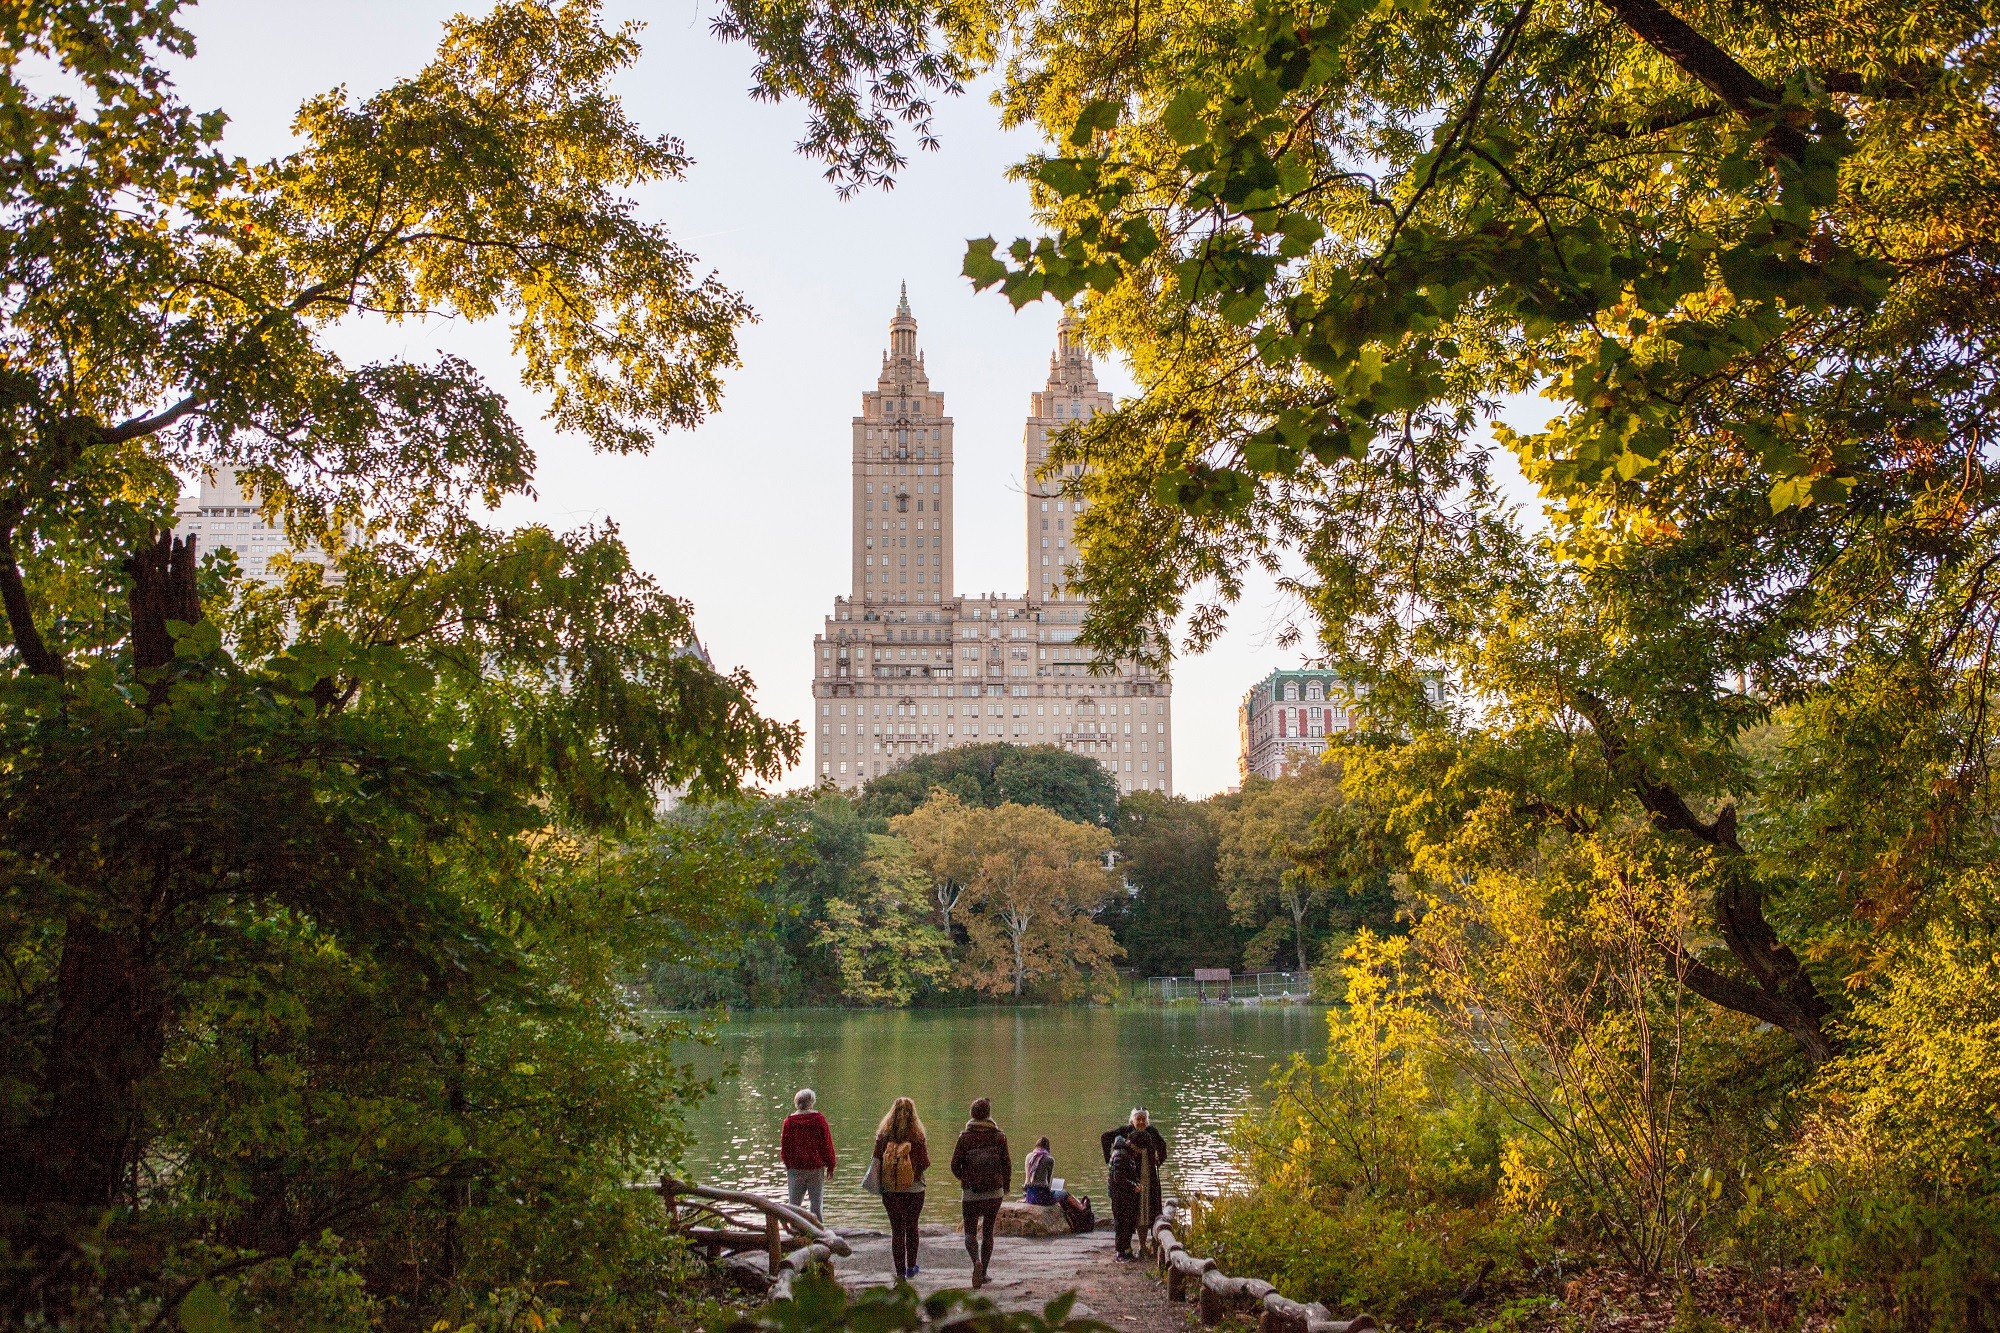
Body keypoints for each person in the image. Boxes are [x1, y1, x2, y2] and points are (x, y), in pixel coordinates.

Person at [950, 1097, 1011, 1288]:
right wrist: (1006, 1185)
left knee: (970, 1233)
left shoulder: (965, 1138)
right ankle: (983, 1272)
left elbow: (954, 1165)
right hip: (994, 1192)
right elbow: (1006, 1164)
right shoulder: (999, 1136)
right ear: (988, 1114)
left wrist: (965, 1179)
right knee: (988, 1233)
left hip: (971, 1193)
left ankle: (975, 1261)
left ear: (972, 1114)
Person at [873, 1096, 931, 1281]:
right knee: (912, 1227)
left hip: (890, 1191)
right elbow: (924, 1163)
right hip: (914, 1190)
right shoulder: (917, 1136)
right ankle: (911, 1267)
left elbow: (876, 1161)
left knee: (897, 1230)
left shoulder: (883, 1136)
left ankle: (899, 1272)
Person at [1100, 1109, 1168, 1259]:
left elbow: (1163, 1146)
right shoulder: (1126, 1133)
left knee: (1151, 1212)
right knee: (1132, 1214)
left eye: (1144, 1119)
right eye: (1138, 1119)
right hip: (1130, 1181)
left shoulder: (1151, 1132)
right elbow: (1105, 1137)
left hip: (1149, 1178)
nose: (1141, 1122)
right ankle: (1128, 1248)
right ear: (1132, 1120)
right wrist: (1109, 1160)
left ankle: (1148, 1247)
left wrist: (1159, 1161)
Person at [780, 1088, 836, 1219]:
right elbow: (827, 1144)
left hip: (795, 1168)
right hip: (815, 1168)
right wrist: (830, 1165)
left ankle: (794, 1232)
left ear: (797, 1103)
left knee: (794, 1205)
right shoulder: (819, 1120)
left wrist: (789, 1165)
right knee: (816, 1205)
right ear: (811, 1102)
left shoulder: (789, 1122)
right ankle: (817, 1232)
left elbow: (785, 1148)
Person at [1023, 1136, 1056, 1206]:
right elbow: (1048, 1181)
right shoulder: (1049, 1159)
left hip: (1029, 1196)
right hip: (1041, 1197)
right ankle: (1081, 1207)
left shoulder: (1028, 1156)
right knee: (1063, 1193)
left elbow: (1027, 1180)